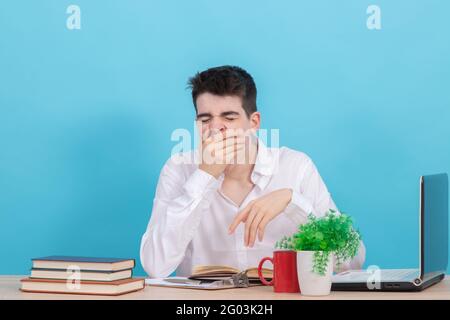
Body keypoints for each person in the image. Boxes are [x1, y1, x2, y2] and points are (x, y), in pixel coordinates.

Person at [140, 65, 365, 278]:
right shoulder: (178, 168)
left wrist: (294, 202)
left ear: (254, 122)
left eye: (229, 118)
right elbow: (156, 266)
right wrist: (204, 177)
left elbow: (351, 261)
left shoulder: (296, 166)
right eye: (205, 119)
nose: (216, 129)